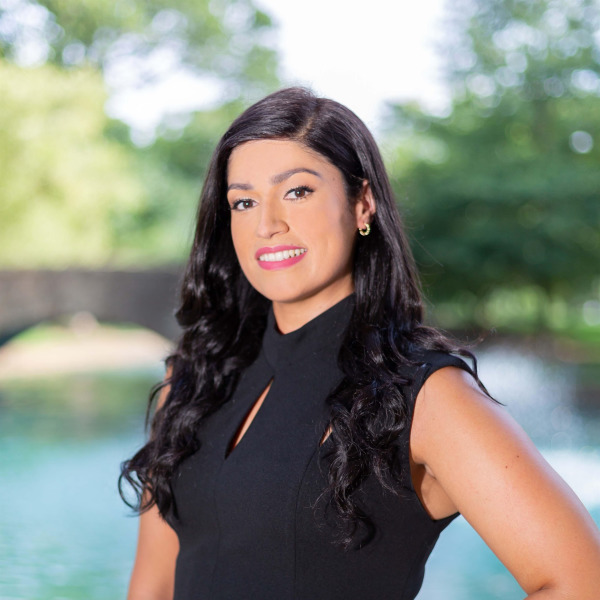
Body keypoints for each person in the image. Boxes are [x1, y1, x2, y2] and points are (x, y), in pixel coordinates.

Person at [120, 87, 600, 600]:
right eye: (244, 201)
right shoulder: (192, 379)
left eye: (297, 192)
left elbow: (581, 582)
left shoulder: (424, 395)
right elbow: (153, 586)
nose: (267, 225)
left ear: (362, 202)